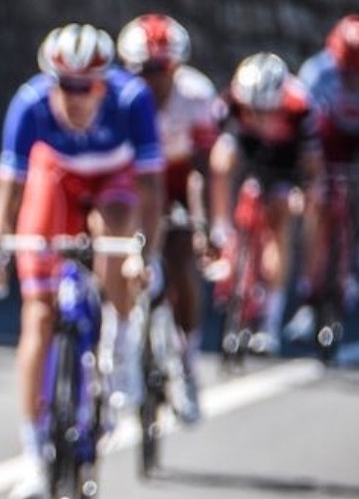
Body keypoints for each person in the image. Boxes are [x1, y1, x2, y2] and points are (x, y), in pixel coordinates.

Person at [0, 23, 164, 499]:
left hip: (114, 181)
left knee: (116, 235)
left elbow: (150, 191)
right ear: (50, 80)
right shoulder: (30, 104)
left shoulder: (133, 100)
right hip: (57, 180)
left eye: (87, 87)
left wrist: (146, 253)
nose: (76, 97)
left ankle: (119, 348)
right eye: (66, 85)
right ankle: (34, 456)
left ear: (105, 82)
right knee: (37, 314)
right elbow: (7, 192)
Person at [116, 13, 220, 424]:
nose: (154, 81)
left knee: (180, 268)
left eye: (162, 70)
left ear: (176, 68)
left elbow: (201, 169)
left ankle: (188, 366)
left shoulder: (196, 95)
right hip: (133, 183)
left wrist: (201, 222)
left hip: (176, 181)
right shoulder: (119, 97)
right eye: (144, 71)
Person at [207, 52, 324, 355]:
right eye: (252, 110)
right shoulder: (230, 104)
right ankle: (224, 231)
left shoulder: (301, 108)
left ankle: (270, 319)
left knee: (280, 220)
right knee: (220, 159)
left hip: (287, 167)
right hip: (253, 160)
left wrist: (306, 194)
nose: (258, 117)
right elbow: (221, 155)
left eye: (266, 110)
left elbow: (313, 167)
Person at [293, 14, 359, 330]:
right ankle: (309, 290)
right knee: (317, 199)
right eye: (348, 72)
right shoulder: (317, 72)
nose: (355, 80)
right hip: (332, 134)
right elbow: (303, 126)